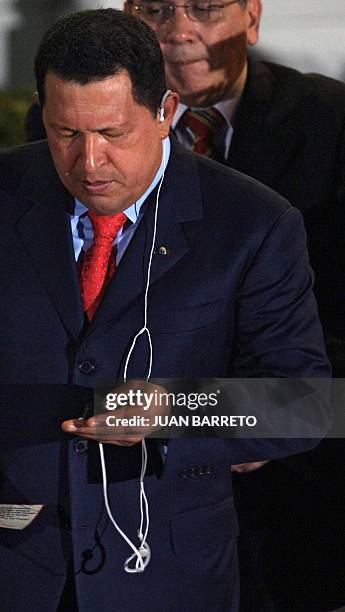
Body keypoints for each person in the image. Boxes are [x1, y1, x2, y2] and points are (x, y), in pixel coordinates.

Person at [0, 9, 330, 611]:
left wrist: (175, 409)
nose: (89, 164)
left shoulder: (253, 223)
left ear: (164, 113)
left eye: (113, 134)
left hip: (166, 576)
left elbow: (306, 402)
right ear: (42, 107)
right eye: (66, 133)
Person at [120, 1, 345, 609]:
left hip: (295, 473)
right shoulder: (84, 125)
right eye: (157, 10)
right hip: (132, 480)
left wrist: (238, 415)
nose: (179, 31)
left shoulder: (332, 120)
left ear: (252, 17)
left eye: (205, 8)